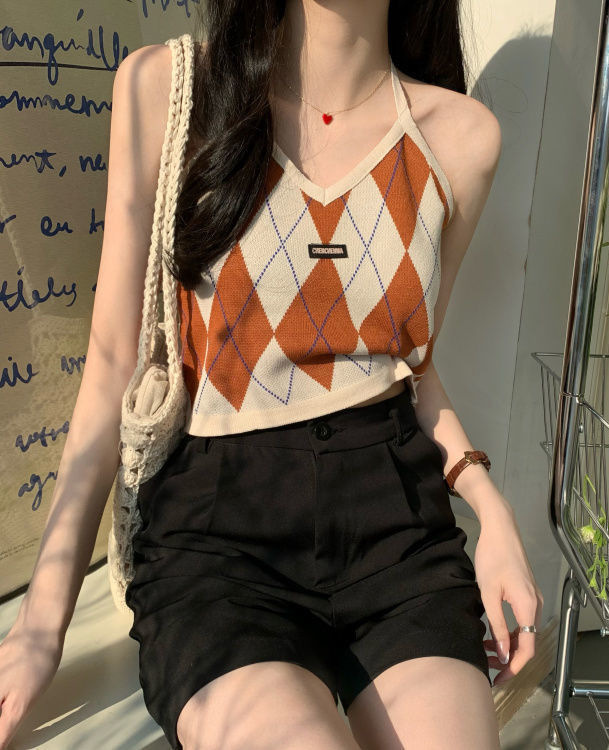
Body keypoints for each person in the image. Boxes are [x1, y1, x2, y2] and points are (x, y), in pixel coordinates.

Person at [0, 1, 543, 748]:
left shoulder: (461, 137)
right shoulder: (169, 91)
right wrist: (40, 627)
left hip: (399, 537)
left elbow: (412, 368)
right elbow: (112, 367)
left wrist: (492, 510)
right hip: (219, 542)